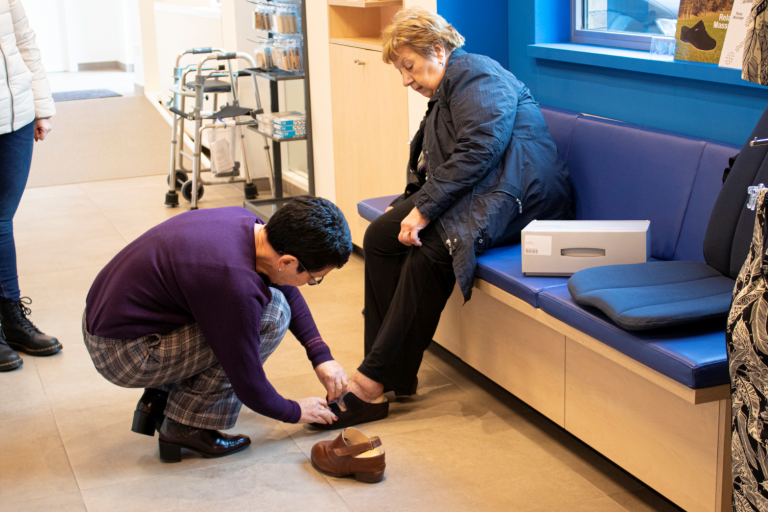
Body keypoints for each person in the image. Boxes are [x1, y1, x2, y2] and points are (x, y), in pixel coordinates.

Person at [316, 7, 574, 429]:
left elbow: (479, 148)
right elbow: (445, 159)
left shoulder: (479, 75)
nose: (406, 80)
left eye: (408, 66)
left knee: (432, 250)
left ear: (437, 50)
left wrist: (422, 210)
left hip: (524, 196)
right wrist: (413, 203)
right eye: (401, 70)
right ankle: (390, 371)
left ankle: (370, 382)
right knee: (380, 236)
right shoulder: (451, 83)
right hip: (487, 186)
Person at [82, 198, 351, 462]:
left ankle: (159, 396)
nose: (311, 282)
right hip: (123, 354)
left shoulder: (248, 224)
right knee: (274, 314)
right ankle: (188, 425)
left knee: (260, 302)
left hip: (112, 321)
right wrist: (294, 410)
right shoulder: (234, 285)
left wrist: (320, 354)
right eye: (314, 278)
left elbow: (282, 283)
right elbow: (248, 381)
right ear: (288, 261)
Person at [0, 0, 61, 373]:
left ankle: (11, 319)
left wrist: (41, 106)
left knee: (1, 220)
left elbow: (24, 41)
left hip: (16, 115)